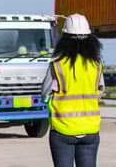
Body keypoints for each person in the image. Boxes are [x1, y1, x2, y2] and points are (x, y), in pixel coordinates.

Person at [41, 13, 104, 167]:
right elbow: (100, 91)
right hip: (90, 129)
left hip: (62, 130)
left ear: (64, 39)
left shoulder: (57, 65)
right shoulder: (96, 65)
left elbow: (44, 94)